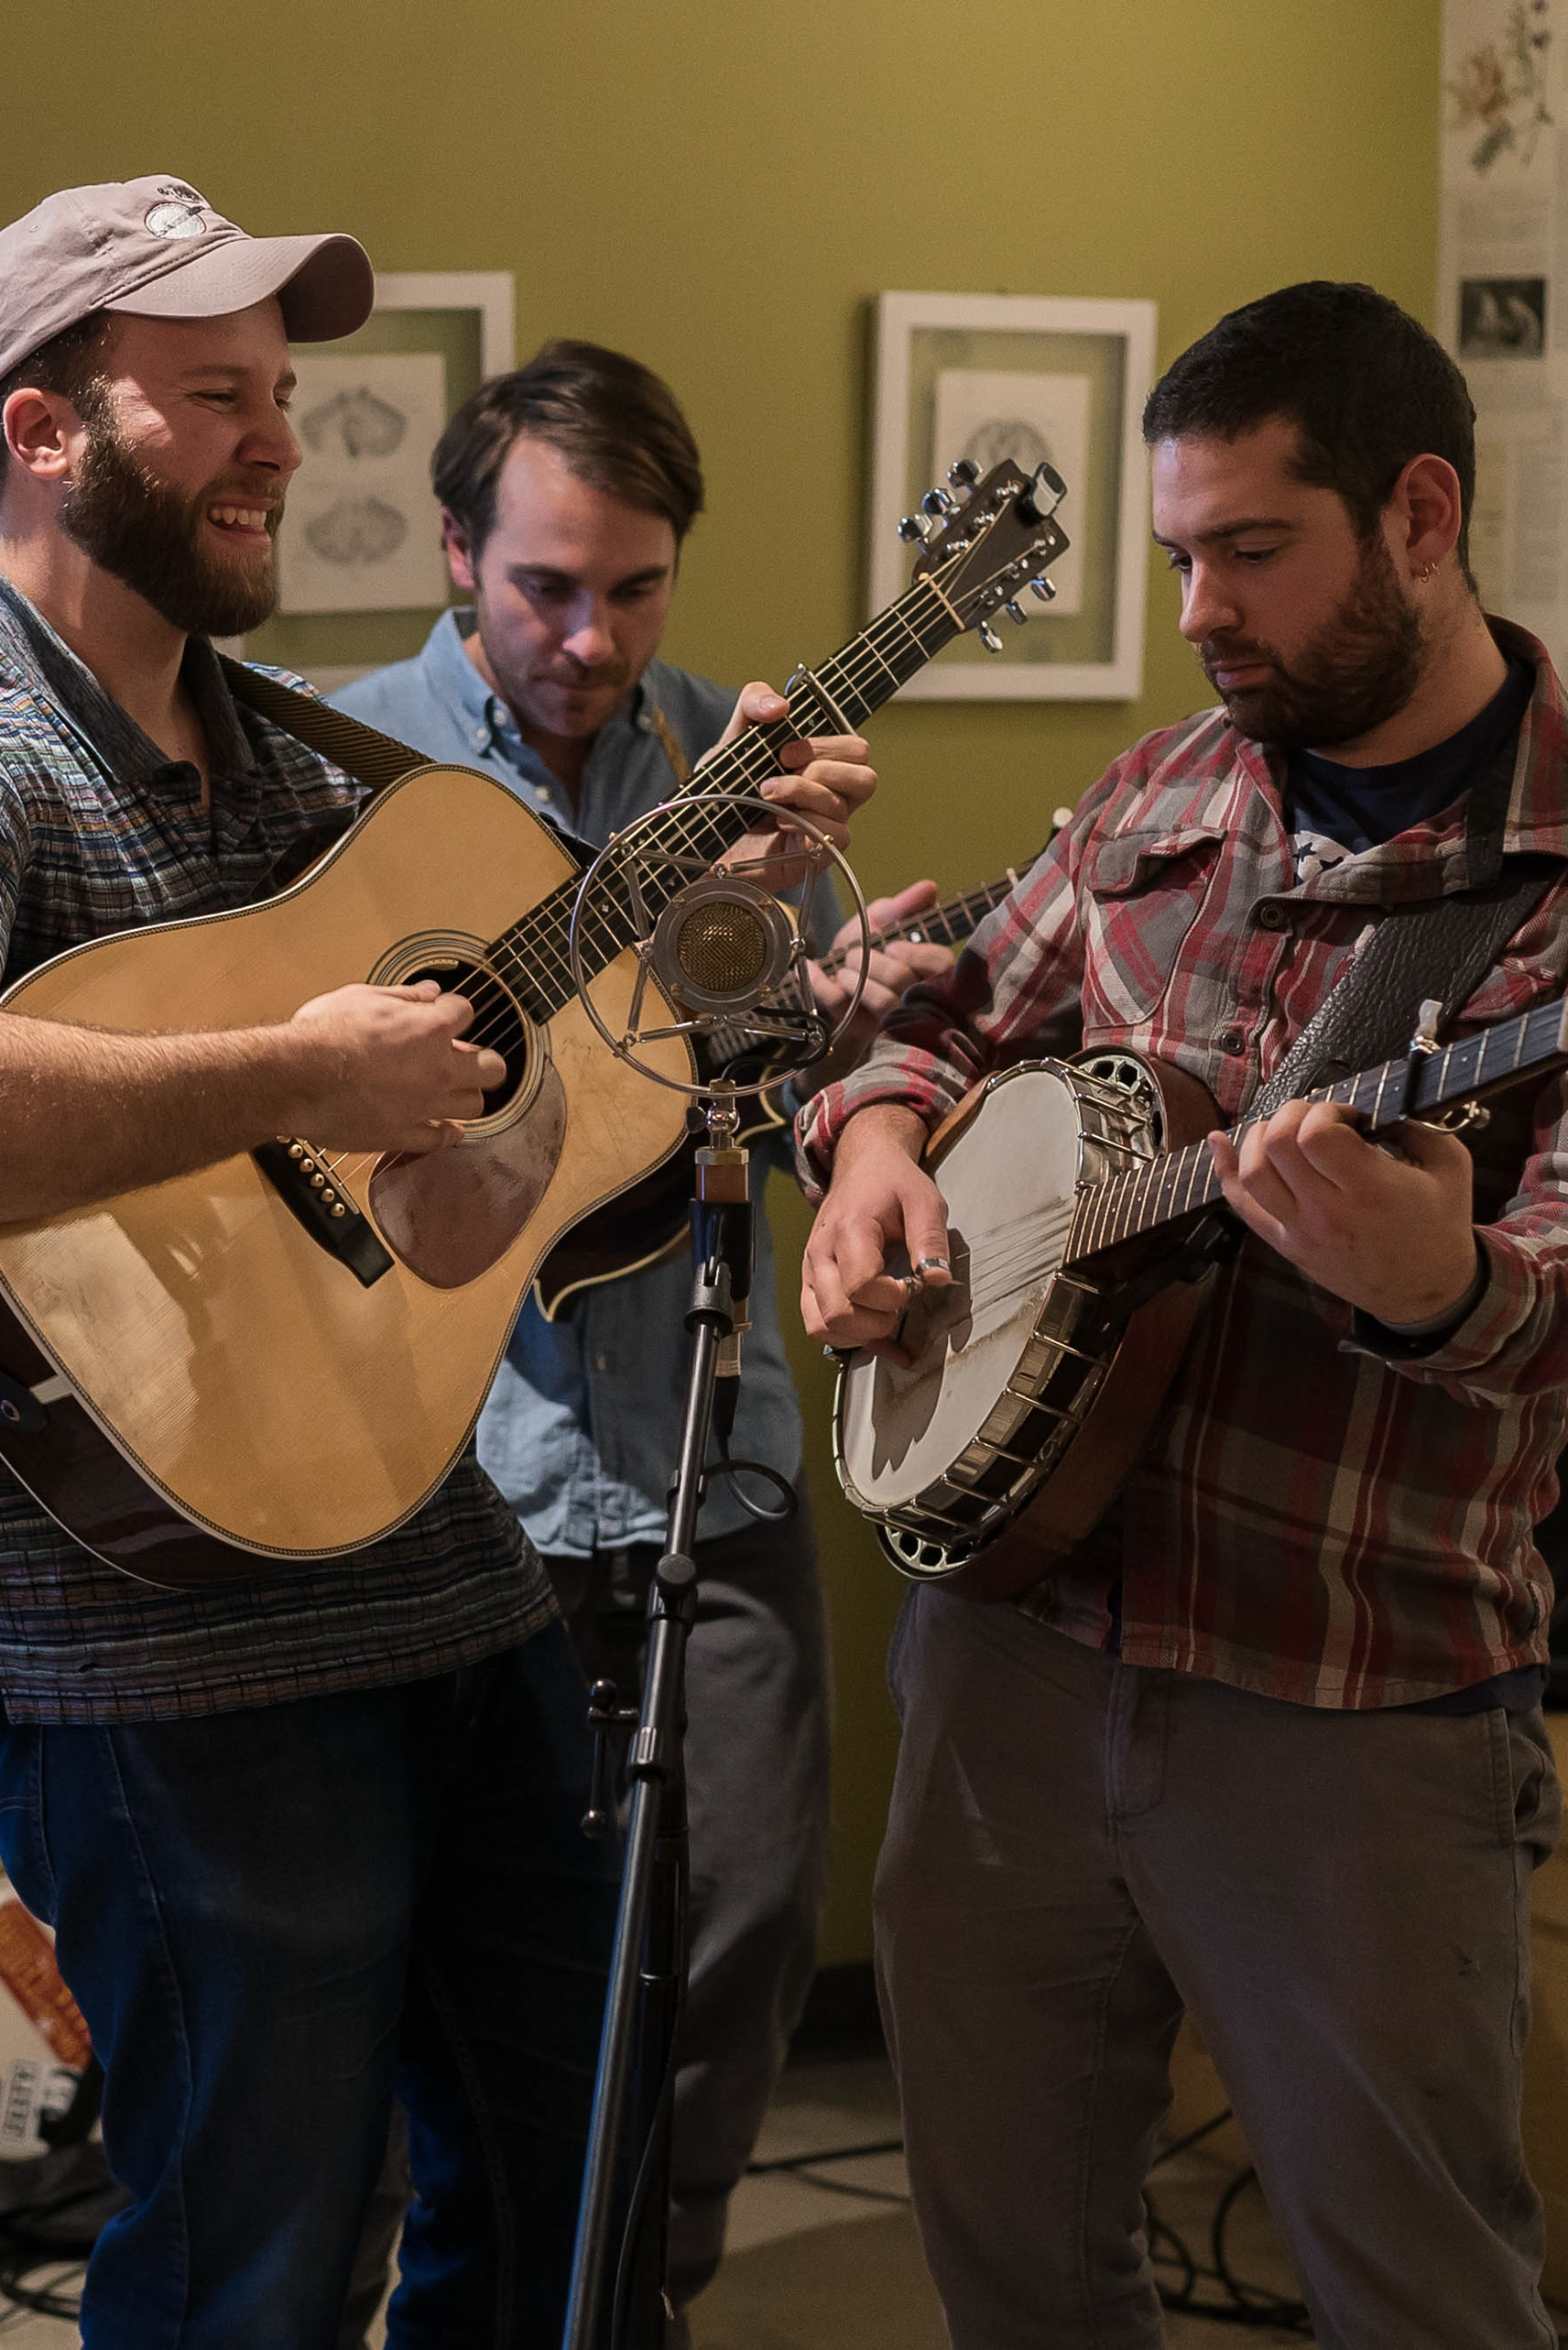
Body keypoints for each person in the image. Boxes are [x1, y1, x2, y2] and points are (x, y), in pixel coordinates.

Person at [0, 181, 877, 2347]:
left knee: (576, 2177)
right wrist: (296, 1066)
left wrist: (641, 990)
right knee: (256, 2254)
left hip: (407, 1543)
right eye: (214, 398)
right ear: (47, 431)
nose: (281, 442)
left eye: (278, 393)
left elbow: (434, 1209)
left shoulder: (290, 754)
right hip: (134, 1610)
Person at [795, 279, 1568, 2348]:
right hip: (1012, 1655)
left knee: (1420, 2290)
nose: (1201, 612)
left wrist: (1444, 1280)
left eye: (1252, 550)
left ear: (1420, 514)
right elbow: (935, 1010)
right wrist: (873, 1136)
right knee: (1012, 2263)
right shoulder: (1160, 793)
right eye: (1178, 555)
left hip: (1349, 1701)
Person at [324, 340, 941, 2335]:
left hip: (704, 1448)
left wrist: (832, 1010)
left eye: (636, 589)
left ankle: (634, 2305)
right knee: (438, 1988)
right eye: (546, 587)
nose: (591, 639)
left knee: (740, 1937)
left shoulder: (730, 774)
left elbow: (743, 1094)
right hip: (452, 1483)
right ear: (456, 552)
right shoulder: (347, 771)